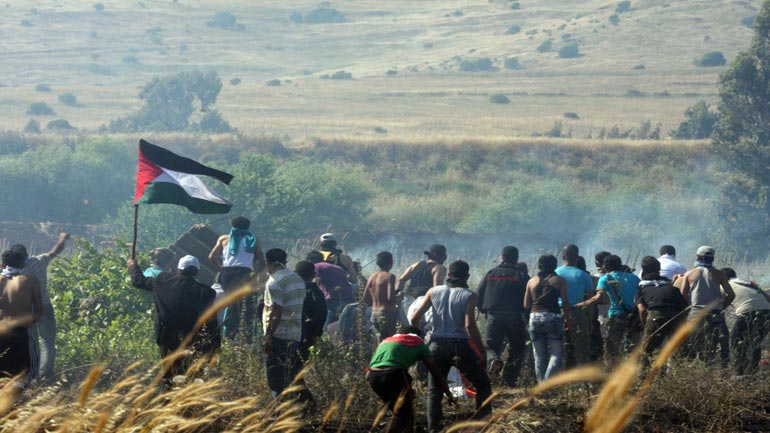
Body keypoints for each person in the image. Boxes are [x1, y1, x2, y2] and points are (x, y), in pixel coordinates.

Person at [410, 260, 492, 433]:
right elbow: (469, 325)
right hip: (459, 345)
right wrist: (482, 350)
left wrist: (418, 342)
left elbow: (414, 319)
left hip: (435, 345)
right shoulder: (469, 295)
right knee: (483, 384)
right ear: (467, 276)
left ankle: (434, 429)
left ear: (449, 274)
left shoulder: (433, 291)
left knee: (434, 391)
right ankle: (481, 427)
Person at [127, 255, 219, 384]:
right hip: (191, 340)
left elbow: (138, 281)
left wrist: (133, 266)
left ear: (178, 269)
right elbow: (211, 321)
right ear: (197, 272)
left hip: (166, 336)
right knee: (191, 373)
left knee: (169, 372)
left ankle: (170, 398)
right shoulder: (206, 292)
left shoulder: (161, 280)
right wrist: (214, 347)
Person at [367, 326, 457, 433]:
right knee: (403, 417)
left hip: (373, 377)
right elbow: (435, 373)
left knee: (407, 416)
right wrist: (449, 394)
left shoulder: (385, 342)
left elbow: (369, 371)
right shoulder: (418, 342)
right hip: (395, 375)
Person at [10, 232, 69, 380]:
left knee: (32, 342)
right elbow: (55, 250)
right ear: (26, 255)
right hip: (43, 307)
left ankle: (32, 372)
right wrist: (62, 238)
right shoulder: (39, 261)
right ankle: (45, 374)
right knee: (47, 341)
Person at [476, 246, 528, 386]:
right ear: (516, 259)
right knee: (517, 348)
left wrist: (482, 310)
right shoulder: (521, 275)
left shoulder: (491, 273)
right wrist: (526, 316)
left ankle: (493, 360)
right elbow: (528, 297)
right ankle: (508, 380)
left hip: (493, 316)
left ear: (502, 257)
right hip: (515, 316)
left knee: (491, 346)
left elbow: (479, 293)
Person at [577, 254, 641, 367]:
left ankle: (612, 372)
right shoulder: (634, 277)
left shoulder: (605, 279)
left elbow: (597, 297)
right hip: (634, 316)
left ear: (605, 266)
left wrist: (582, 304)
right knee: (633, 346)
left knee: (612, 347)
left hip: (616, 315)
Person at [208, 217, 265, 340]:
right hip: (244, 274)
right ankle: (243, 333)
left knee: (230, 302)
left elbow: (211, 256)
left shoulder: (223, 239)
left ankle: (227, 331)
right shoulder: (253, 240)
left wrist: (221, 269)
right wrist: (259, 275)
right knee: (245, 304)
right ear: (248, 227)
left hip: (227, 274)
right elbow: (261, 259)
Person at [678, 246, 735, 367]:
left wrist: (688, 308)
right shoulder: (719, 274)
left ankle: (690, 367)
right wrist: (722, 307)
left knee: (693, 342)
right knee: (718, 342)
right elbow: (731, 295)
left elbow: (682, 295)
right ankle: (717, 367)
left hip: (695, 313)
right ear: (712, 258)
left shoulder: (689, 273)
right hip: (715, 313)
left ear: (698, 257)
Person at [262, 249, 306, 397]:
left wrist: (268, 336)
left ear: (268, 262)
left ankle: (279, 415)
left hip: (278, 335)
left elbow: (276, 310)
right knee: (289, 377)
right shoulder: (297, 279)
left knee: (275, 380)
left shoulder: (274, 282)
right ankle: (292, 412)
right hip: (295, 334)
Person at [523, 255, 569, 383]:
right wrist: (567, 319)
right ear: (554, 265)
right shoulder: (559, 280)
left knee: (539, 355)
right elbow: (565, 302)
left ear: (539, 265)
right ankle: (547, 384)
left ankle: (541, 385)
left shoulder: (531, 281)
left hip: (534, 317)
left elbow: (526, 305)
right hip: (553, 317)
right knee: (556, 354)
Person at [635, 256, 688, 365]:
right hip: (677, 315)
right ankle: (676, 373)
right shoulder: (671, 287)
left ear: (643, 271)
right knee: (677, 349)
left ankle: (643, 377)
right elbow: (685, 306)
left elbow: (642, 309)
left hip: (656, 315)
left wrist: (645, 324)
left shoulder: (643, 288)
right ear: (658, 270)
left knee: (646, 350)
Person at [0, 250, 42, 386]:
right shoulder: (31, 281)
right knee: (25, 371)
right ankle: (14, 400)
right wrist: (29, 322)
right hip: (21, 331)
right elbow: (39, 311)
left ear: (3, 264)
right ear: (23, 264)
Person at [722, 267, 770, 375]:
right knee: (755, 342)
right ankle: (752, 371)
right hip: (768, 314)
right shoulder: (751, 283)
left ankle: (740, 373)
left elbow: (718, 302)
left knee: (735, 342)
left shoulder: (725, 284)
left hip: (748, 313)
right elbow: (768, 298)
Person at [555, 244, 594, 367]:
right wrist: (590, 319)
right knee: (581, 346)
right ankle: (582, 378)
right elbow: (590, 300)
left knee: (558, 347)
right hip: (578, 312)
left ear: (563, 257)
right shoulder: (584, 276)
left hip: (558, 312)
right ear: (577, 257)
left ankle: (559, 376)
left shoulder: (555, 273)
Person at [306, 250, 355, 329]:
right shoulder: (337, 267)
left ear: (309, 261)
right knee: (344, 326)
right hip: (349, 298)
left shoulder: (316, 266)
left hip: (333, 300)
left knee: (325, 326)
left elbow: (316, 282)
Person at [294, 261, 327, 361]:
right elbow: (321, 315)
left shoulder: (289, 289)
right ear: (313, 275)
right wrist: (316, 334)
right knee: (301, 362)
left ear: (295, 274)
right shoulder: (316, 292)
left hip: (287, 333)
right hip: (307, 335)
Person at [397, 244, 447, 310]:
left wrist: (398, 296)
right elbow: (437, 289)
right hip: (424, 301)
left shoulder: (416, 265)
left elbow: (401, 279)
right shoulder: (439, 268)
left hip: (409, 300)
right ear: (440, 256)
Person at [363, 251, 399, 341]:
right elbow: (390, 298)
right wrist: (399, 297)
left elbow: (365, 298)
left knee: (379, 340)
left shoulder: (372, 276)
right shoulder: (390, 276)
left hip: (374, 313)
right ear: (391, 263)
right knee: (389, 341)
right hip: (387, 314)